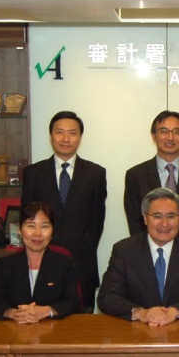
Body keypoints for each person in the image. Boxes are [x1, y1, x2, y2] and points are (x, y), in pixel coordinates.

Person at [21, 111, 107, 312]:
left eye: (72, 133)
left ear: (80, 138)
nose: (65, 139)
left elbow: (96, 222)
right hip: (42, 265)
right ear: (51, 136)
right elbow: (28, 220)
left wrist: (79, 254)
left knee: (81, 327)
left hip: (82, 265)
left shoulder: (95, 173)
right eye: (60, 132)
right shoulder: (33, 173)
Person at [99, 188, 179, 326]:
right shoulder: (124, 250)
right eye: (157, 216)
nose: (164, 224)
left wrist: (175, 311)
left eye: (171, 216)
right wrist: (141, 313)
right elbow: (107, 297)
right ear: (145, 218)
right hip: (135, 333)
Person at [124, 110, 179, 246]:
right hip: (149, 256)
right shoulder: (135, 175)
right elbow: (135, 220)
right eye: (164, 131)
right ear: (154, 136)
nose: (170, 137)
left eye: (176, 131)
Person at [0, 202, 81, 323]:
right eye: (31, 226)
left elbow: (73, 301)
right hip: (17, 331)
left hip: (54, 332)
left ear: (52, 232)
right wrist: (14, 314)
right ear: (20, 230)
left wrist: (45, 311)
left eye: (45, 226)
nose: (37, 233)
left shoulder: (67, 264)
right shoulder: (5, 265)